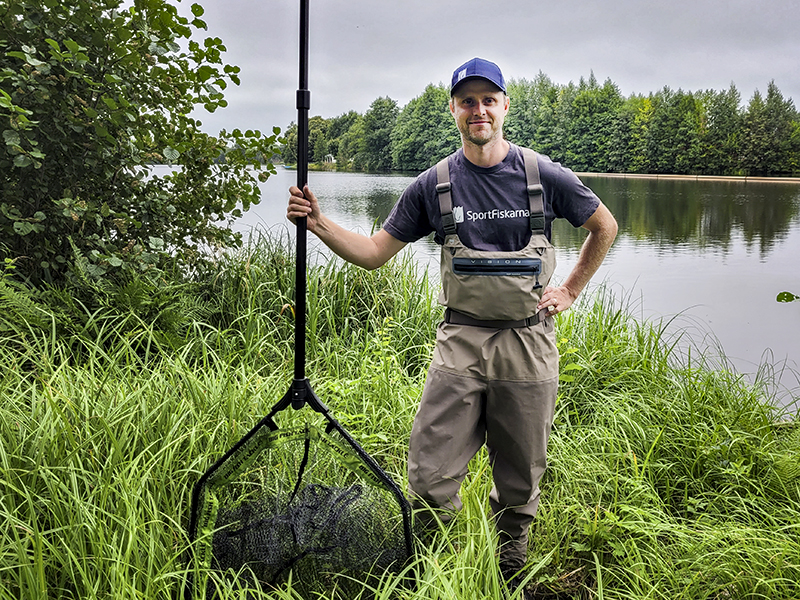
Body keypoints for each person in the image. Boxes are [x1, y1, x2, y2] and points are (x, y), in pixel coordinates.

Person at [287, 57, 618, 594]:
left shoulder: (543, 174)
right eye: (468, 101)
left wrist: (572, 288)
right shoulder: (433, 184)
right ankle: (432, 568)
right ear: (454, 110)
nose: (479, 110)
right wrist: (318, 222)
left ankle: (511, 565)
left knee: (522, 470)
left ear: (505, 106)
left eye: (489, 100)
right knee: (429, 471)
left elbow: (604, 225)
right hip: (459, 342)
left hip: (528, 343)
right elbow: (374, 253)